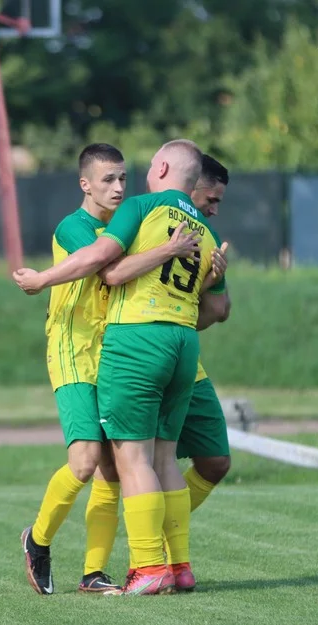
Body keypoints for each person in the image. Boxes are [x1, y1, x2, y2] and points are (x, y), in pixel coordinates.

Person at [14, 139, 226, 595]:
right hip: (76, 349)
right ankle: (38, 538)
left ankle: (94, 572)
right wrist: (168, 250)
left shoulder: (141, 220)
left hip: (114, 348)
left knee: (114, 466)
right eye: (108, 180)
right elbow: (105, 266)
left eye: (123, 178)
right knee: (88, 458)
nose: (118, 188)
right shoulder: (77, 227)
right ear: (85, 184)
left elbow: (203, 303)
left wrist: (203, 276)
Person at [95, 154, 231, 591]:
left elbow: (107, 268)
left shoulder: (140, 207)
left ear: (163, 170)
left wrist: (43, 278)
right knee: (163, 459)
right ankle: (179, 567)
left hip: (139, 339)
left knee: (131, 459)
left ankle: (148, 565)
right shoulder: (207, 234)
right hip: (182, 346)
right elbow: (217, 309)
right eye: (212, 197)